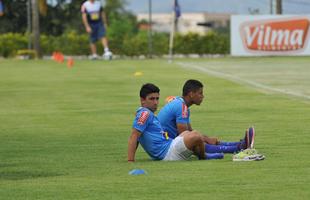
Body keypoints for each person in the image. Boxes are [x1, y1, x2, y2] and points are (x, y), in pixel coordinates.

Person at [127, 83, 224, 162]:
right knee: (195, 135)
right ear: (142, 100)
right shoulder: (144, 114)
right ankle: (204, 156)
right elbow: (134, 136)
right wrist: (131, 160)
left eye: (157, 98)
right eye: (151, 99)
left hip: (169, 145)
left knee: (189, 133)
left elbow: (138, 137)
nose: (156, 102)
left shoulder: (147, 113)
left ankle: (207, 153)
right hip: (167, 153)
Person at [157, 79, 255, 154]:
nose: (202, 96)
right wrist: (207, 139)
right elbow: (185, 135)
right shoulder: (181, 107)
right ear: (191, 94)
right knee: (199, 144)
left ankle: (238, 145)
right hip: (166, 146)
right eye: (200, 93)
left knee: (202, 140)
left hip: (167, 143)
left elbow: (190, 131)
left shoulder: (181, 104)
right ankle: (238, 148)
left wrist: (207, 138)